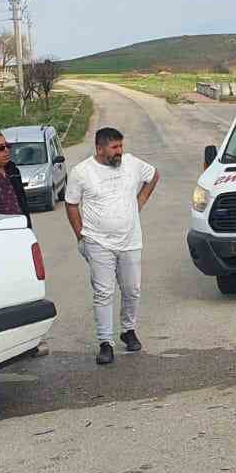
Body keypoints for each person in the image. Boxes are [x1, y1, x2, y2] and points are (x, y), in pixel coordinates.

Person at [65, 127, 159, 366]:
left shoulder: (132, 163)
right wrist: (80, 236)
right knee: (103, 292)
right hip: (98, 242)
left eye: (121, 146)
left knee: (132, 289)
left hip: (130, 240)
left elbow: (153, 175)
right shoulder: (81, 172)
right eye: (114, 147)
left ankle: (128, 330)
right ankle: (105, 343)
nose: (119, 151)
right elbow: (71, 204)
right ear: (99, 148)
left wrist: (139, 202)